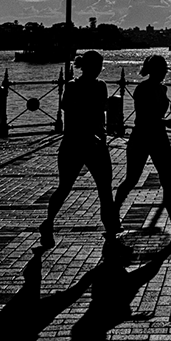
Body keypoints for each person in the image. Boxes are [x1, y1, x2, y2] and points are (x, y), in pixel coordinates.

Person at [40, 51, 119, 248]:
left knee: (104, 187)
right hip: (75, 143)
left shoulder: (101, 86)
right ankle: (48, 222)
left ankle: (110, 227)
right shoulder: (72, 87)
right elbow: (71, 110)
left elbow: (100, 110)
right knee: (65, 187)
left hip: (95, 143)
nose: (99, 69)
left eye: (100, 66)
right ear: (87, 66)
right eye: (97, 66)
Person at [114, 54, 171, 243]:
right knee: (132, 179)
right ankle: (114, 213)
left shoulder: (162, 88)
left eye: (165, 69)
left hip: (159, 138)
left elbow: (158, 110)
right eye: (162, 69)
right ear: (154, 70)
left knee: (168, 181)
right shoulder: (142, 89)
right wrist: (164, 121)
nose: (165, 72)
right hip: (141, 137)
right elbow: (143, 117)